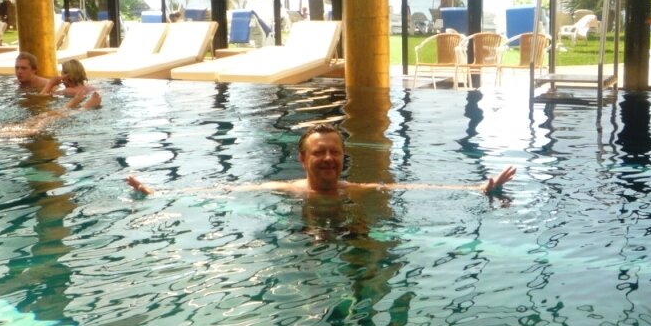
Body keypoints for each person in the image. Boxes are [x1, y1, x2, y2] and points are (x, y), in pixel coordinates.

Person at [125, 123, 515, 198]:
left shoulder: (354, 190)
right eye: (319, 152)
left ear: (343, 158)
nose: (328, 158)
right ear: (302, 158)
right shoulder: (286, 190)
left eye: (334, 152)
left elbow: (414, 188)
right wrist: (159, 193)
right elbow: (225, 190)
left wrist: (477, 187)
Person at [0, 92, 101, 140]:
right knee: (41, 122)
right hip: (15, 132)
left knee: (40, 117)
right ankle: (83, 108)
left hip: (6, 130)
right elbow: (32, 133)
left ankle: (71, 105)